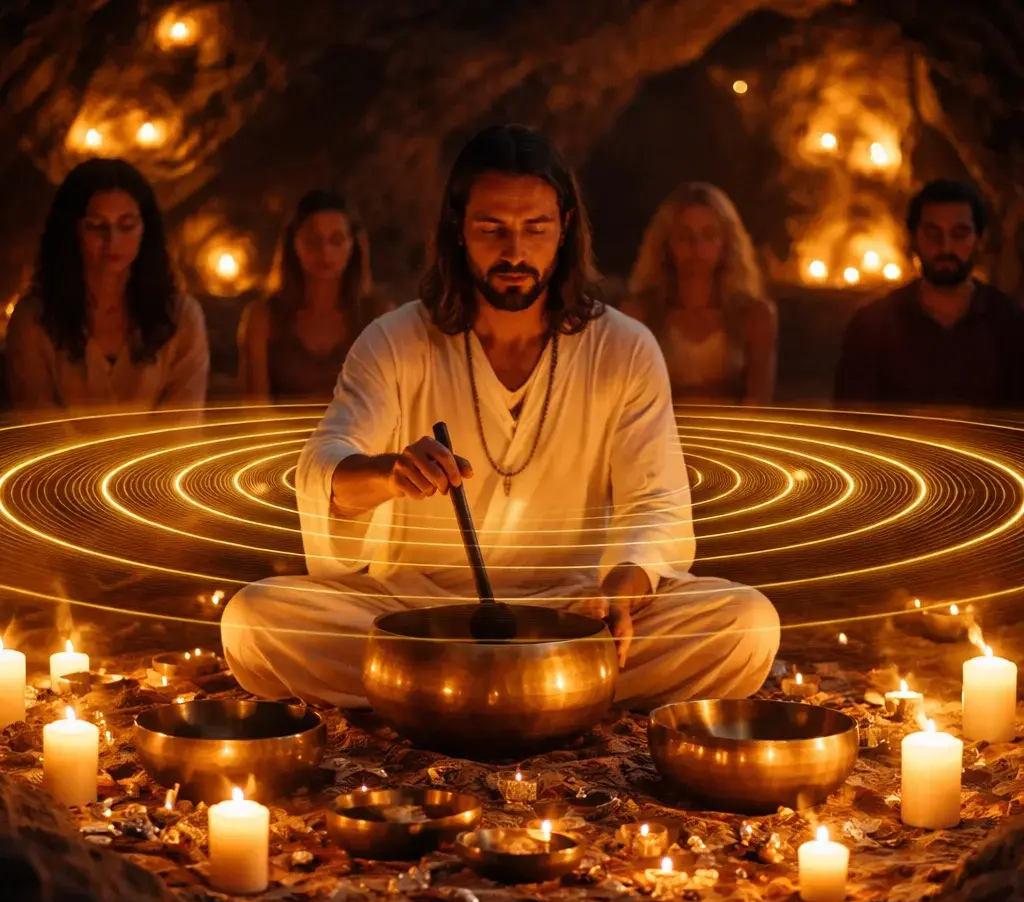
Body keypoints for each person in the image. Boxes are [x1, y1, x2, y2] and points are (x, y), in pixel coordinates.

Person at [220, 125, 780, 711]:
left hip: (575, 612)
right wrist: (389, 473)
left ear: (564, 228)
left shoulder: (623, 347)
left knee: (746, 623)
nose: (514, 251)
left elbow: (658, 502)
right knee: (255, 619)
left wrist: (626, 585)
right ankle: (549, 693)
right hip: (417, 614)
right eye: (492, 229)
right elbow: (326, 463)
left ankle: (437, 691)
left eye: (535, 228)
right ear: (457, 230)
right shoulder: (396, 341)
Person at [5, 158, 208, 413]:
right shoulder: (33, 319)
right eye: (97, 226)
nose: (112, 241)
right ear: (72, 231)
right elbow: (39, 425)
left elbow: (182, 428)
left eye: (126, 225)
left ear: (145, 230)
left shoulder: (181, 317)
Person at [835, 178, 1024, 408]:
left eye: (959, 234)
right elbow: (850, 421)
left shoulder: (1010, 324)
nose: (945, 247)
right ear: (914, 238)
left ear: (980, 240)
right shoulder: (873, 325)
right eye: (933, 234)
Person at [622, 182, 776, 404]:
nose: (697, 247)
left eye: (709, 235)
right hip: (660, 436)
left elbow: (758, 405)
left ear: (727, 243)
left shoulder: (755, 316)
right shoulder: (639, 314)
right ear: (667, 243)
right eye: (685, 236)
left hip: (730, 436)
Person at [237, 190, 391, 402]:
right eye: (313, 240)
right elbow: (255, 413)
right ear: (294, 244)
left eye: (336, 240)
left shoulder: (378, 316)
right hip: (282, 435)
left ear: (353, 245)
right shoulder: (263, 318)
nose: (325, 252)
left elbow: (389, 405)